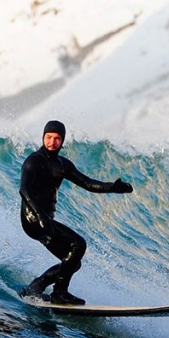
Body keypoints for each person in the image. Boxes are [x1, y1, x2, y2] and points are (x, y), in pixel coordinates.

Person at [18, 120, 134, 305]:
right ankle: (59, 293)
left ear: (62, 140)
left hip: (46, 220)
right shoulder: (33, 161)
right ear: (43, 137)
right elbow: (24, 190)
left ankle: (36, 287)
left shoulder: (63, 164)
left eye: (57, 138)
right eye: (48, 137)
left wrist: (111, 187)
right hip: (33, 219)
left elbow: (87, 183)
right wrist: (40, 217)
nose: (52, 142)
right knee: (78, 244)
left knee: (72, 262)